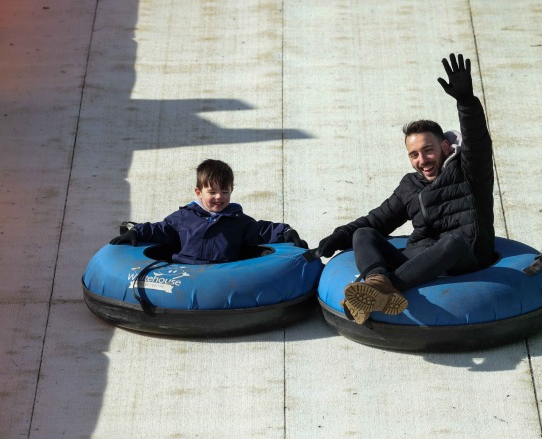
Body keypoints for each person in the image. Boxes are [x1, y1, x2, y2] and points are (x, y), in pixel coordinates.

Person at [315, 53, 496, 325]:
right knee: (365, 233)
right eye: (414, 155)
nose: (422, 161)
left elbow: (478, 141)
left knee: (454, 240)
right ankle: (377, 282)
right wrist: (337, 237)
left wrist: (466, 102)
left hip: (462, 257)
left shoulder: (468, 170)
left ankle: (380, 290)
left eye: (428, 150)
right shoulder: (409, 186)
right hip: (416, 258)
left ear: (444, 147)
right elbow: (376, 220)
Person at [109, 159, 306, 264]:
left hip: (223, 272)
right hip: (185, 271)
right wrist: (136, 231)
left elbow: (261, 230)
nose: (219, 197)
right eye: (212, 192)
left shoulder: (238, 221)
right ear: (198, 192)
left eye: (225, 191)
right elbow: (160, 229)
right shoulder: (184, 217)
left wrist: (286, 231)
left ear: (232, 191)